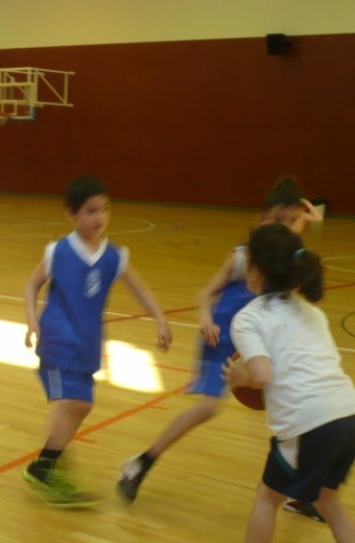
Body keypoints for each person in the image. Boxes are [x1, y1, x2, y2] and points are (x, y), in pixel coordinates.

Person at [117, 176, 324, 522]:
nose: (285, 225)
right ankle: (142, 462)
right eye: (278, 219)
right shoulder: (242, 257)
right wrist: (204, 319)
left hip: (259, 342)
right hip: (222, 338)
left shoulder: (287, 253)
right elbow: (205, 293)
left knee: (297, 401)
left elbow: (300, 222)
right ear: (262, 218)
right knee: (208, 408)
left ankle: (299, 492)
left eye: (290, 220)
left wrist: (305, 215)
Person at [22, 175, 173, 506]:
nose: (99, 217)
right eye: (90, 211)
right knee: (75, 403)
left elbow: (141, 289)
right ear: (72, 214)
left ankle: (49, 462)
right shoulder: (57, 252)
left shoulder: (115, 256)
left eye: (105, 209)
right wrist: (32, 319)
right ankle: (44, 466)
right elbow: (31, 285)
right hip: (58, 339)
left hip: (87, 344)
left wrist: (161, 319)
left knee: (79, 405)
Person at [222, 224, 355, 543]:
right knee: (328, 499)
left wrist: (239, 377)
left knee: (268, 496)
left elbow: (261, 375)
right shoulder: (312, 312)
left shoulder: (249, 318)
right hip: (348, 414)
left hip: (309, 422)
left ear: (256, 271)